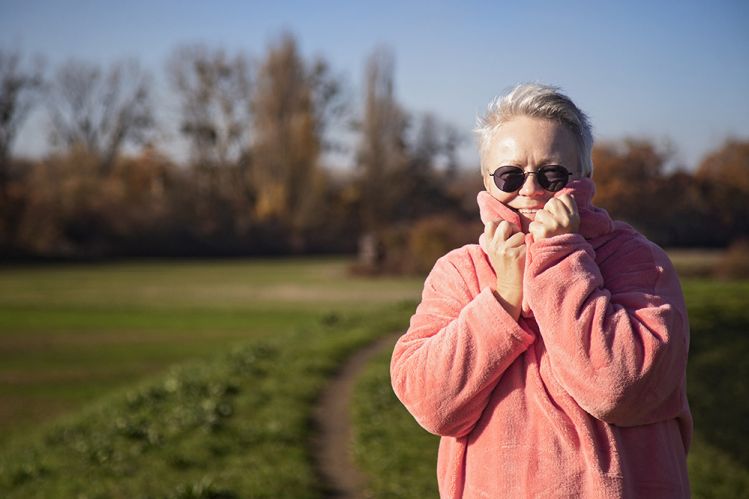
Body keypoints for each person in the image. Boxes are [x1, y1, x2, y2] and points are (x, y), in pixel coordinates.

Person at [390, 83, 692, 498]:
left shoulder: (638, 261)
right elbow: (431, 405)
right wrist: (503, 298)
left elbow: (622, 388)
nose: (530, 190)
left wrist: (560, 258)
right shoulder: (459, 271)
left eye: (552, 174)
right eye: (510, 175)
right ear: (487, 181)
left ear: (584, 175)